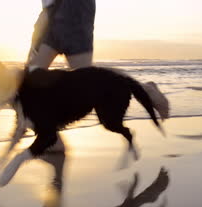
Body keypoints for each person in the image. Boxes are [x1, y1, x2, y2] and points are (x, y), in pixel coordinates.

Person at [27, 0, 169, 151]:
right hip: (52, 10)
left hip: (72, 8)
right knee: (30, 80)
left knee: (86, 79)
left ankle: (146, 91)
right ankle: (52, 138)